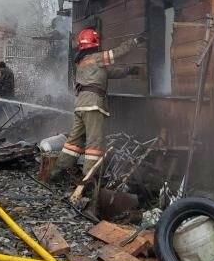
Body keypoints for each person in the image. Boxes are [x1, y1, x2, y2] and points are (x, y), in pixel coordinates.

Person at [50, 29, 144, 179]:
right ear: (95, 44)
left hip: (81, 105)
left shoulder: (82, 61)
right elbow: (117, 52)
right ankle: (89, 177)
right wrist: (135, 41)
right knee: (95, 143)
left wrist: (127, 71)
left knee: (73, 141)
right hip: (93, 105)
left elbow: (106, 73)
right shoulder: (97, 58)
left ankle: (59, 170)